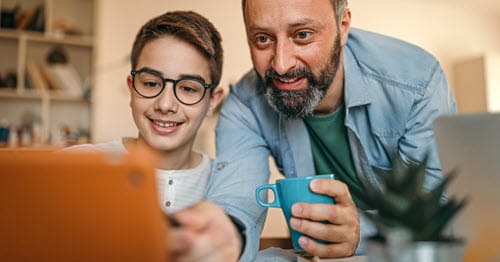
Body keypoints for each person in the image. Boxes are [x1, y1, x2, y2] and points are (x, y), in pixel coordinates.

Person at [203, 0, 457, 260]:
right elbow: (235, 199)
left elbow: (440, 214)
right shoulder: (245, 104)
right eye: (262, 39)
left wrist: (363, 231)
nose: (281, 65)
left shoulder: (417, 84)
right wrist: (218, 239)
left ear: (342, 26)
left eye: (302, 35)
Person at [65, 11, 241, 261]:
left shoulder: (228, 188)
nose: (166, 104)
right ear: (131, 87)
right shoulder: (76, 166)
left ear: (212, 101)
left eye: (189, 88)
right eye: (150, 84)